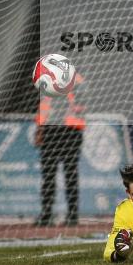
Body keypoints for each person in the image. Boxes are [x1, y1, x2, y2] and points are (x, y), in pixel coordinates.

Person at [34, 71, 85, 227]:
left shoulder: (76, 80)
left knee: (70, 175)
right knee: (48, 175)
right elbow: (45, 105)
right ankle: (47, 214)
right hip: (52, 130)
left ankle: (72, 215)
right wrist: (40, 128)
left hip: (70, 130)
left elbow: (80, 104)